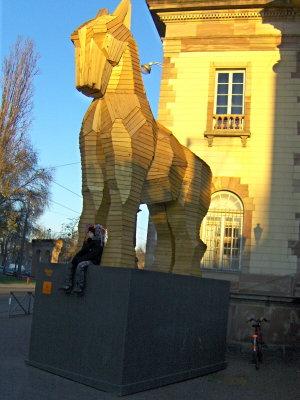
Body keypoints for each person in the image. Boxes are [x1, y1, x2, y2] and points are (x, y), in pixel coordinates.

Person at [60, 224, 105, 295]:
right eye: (88, 233)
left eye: (90, 233)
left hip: (93, 260)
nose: (88, 234)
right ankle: (68, 284)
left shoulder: (99, 242)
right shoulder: (88, 241)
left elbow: (93, 254)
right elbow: (82, 251)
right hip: (86, 259)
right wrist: (76, 258)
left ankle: (79, 287)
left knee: (80, 265)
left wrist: (81, 259)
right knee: (71, 263)